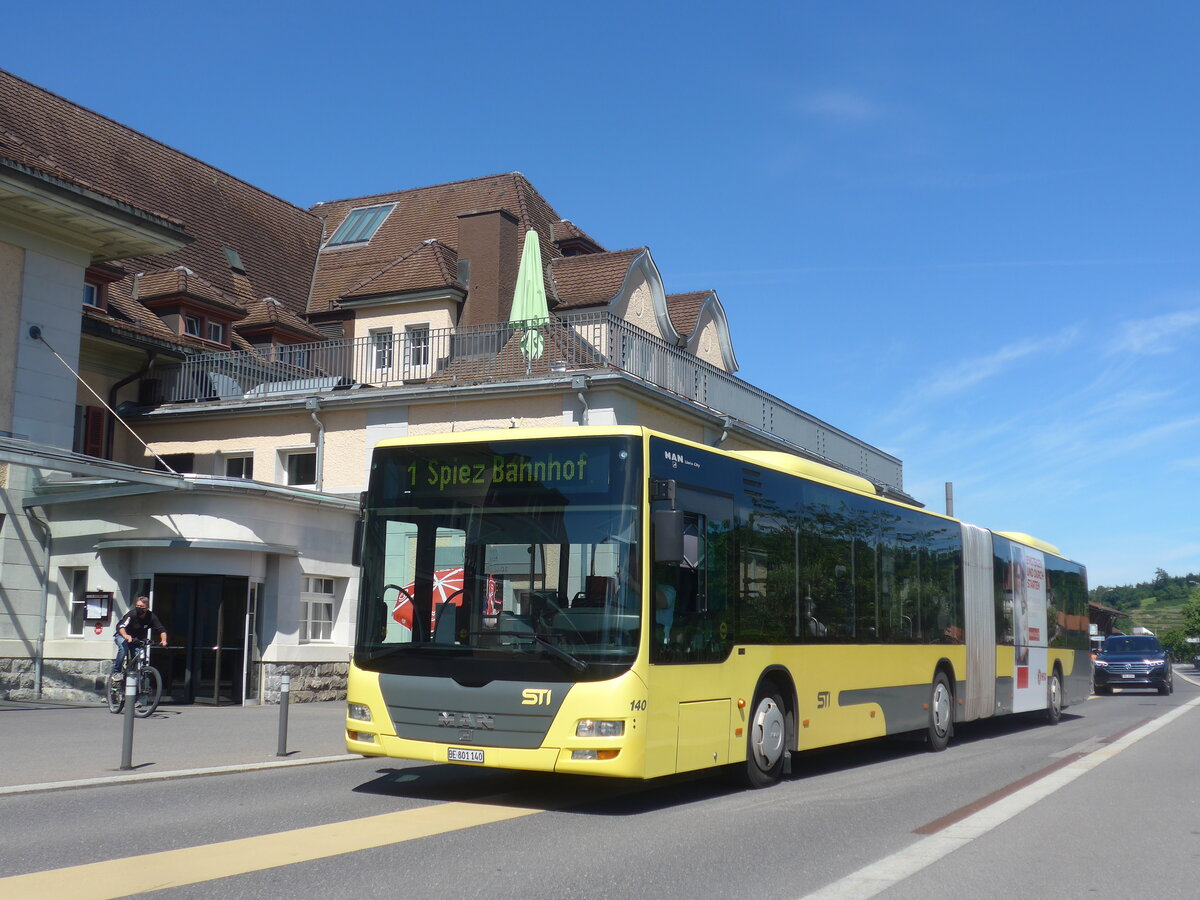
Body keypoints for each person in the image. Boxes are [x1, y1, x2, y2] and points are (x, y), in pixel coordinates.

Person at [111, 596, 168, 679]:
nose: (139, 609)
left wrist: (164, 640)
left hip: (136, 639)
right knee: (123, 649)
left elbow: (161, 629)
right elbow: (122, 626)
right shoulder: (131, 614)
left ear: (147, 608)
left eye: (142, 607)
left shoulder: (151, 617)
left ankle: (137, 679)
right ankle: (117, 672)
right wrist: (126, 635)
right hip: (122, 635)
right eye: (137, 606)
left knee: (139, 658)